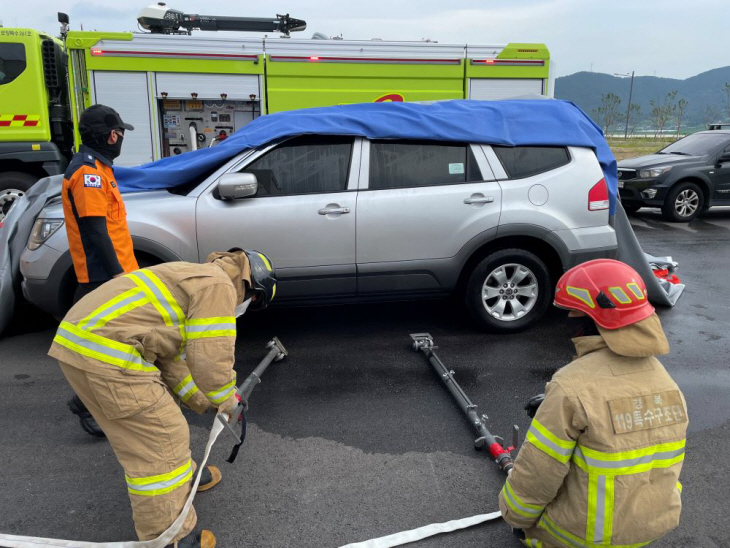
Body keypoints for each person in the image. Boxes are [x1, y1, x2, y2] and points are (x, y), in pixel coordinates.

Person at [49, 249, 277, 548]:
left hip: (86, 346)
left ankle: (185, 479)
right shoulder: (219, 286)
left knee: (157, 426)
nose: (245, 308)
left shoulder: (192, 276)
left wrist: (205, 401)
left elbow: (172, 359)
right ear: (254, 291)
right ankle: (170, 537)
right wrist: (227, 397)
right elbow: (210, 358)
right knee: (161, 440)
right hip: (108, 355)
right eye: (253, 303)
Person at [499, 259, 687, 548]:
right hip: (651, 528)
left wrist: (515, 517)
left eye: (573, 312)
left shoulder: (571, 386)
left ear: (591, 318)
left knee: (524, 522)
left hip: (582, 539)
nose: (568, 320)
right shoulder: (667, 383)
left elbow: (538, 474)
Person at [62, 104, 140, 436]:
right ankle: (85, 403)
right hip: (101, 277)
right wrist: (117, 275)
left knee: (122, 342)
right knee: (114, 344)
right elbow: (95, 229)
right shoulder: (88, 173)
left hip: (112, 273)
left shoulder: (98, 168)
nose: (120, 138)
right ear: (110, 135)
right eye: (119, 132)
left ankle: (106, 399)